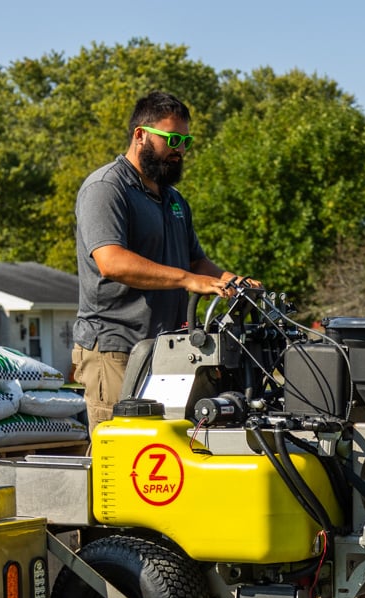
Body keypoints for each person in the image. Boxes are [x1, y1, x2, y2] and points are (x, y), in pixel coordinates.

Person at [71, 91, 246, 429]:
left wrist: (234, 282)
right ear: (141, 135)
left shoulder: (174, 199)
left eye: (186, 141)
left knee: (163, 455)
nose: (180, 149)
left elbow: (197, 263)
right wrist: (186, 280)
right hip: (115, 350)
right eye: (173, 139)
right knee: (121, 456)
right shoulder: (106, 188)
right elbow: (112, 261)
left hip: (166, 351)